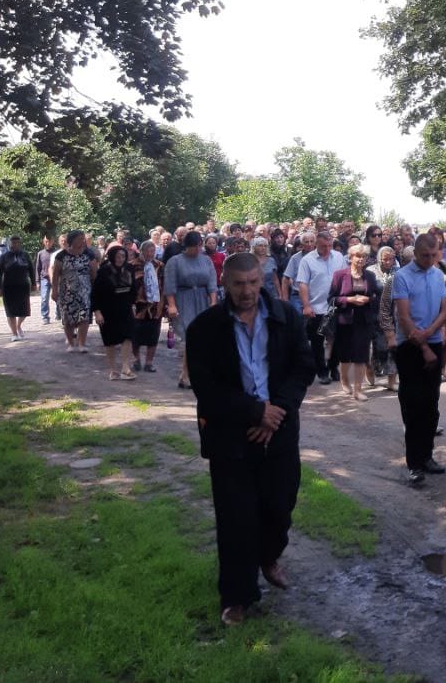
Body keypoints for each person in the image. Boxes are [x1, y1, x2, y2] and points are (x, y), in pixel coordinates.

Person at [187, 252, 316, 627]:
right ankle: (236, 595)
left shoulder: (286, 316)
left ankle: (268, 555)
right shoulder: (205, 328)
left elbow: (303, 367)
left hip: (279, 430)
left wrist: (276, 412)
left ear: (263, 280)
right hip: (231, 435)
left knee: (280, 506)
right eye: (239, 284)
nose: (247, 291)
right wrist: (254, 412)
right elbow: (205, 387)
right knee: (235, 517)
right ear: (225, 284)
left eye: (253, 282)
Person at [391, 233, 446, 487]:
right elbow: (404, 317)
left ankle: (427, 456)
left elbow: (444, 310)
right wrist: (423, 343)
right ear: (415, 253)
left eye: (433, 255)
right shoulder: (402, 276)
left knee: (431, 403)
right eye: (425, 255)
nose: (429, 259)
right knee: (413, 404)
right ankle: (414, 463)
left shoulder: (438, 275)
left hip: (433, 341)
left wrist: (431, 333)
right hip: (410, 346)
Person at [164, 230, 219, 389]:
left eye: (200, 246)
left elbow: (212, 282)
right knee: (191, 337)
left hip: (202, 299)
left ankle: (186, 374)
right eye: (195, 246)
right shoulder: (175, 261)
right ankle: (187, 374)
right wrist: (172, 305)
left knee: (201, 338)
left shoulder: (206, 260)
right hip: (183, 300)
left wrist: (213, 302)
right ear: (187, 246)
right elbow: (169, 285)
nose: (198, 249)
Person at [328, 244, 381, 402]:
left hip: (364, 320)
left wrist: (368, 299)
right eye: (358, 256)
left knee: (361, 355)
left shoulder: (370, 276)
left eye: (364, 256)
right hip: (345, 320)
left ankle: (358, 390)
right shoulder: (339, 275)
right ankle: (344, 379)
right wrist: (349, 299)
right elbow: (331, 299)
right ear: (350, 257)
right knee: (345, 355)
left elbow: (376, 297)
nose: (361, 259)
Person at [296, 230, 347, 386]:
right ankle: (322, 371)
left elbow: (345, 277)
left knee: (338, 339)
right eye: (324, 246)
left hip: (336, 306)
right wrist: (306, 306)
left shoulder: (338, 257)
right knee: (317, 342)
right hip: (316, 308)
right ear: (316, 244)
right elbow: (302, 284)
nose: (327, 249)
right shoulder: (307, 261)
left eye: (330, 245)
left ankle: (333, 367)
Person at [93, 242, 137, 380]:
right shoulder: (104, 271)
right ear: (112, 256)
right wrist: (97, 312)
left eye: (123, 256)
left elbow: (134, 289)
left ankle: (125, 367)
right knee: (110, 340)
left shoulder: (129, 269)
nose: (120, 259)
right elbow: (95, 293)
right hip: (108, 310)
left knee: (127, 336)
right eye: (118, 256)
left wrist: (133, 304)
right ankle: (112, 370)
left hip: (125, 308)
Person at [53, 229, 98, 353]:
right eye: (80, 239)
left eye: (83, 239)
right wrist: (54, 290)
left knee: (84, 317)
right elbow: (56, 275)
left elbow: (94, 274)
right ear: (72, 241)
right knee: (68, 318)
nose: (82, 241)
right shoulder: (61, 256)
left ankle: (82, 343)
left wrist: (95, 289)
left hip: (85, 291)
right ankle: (71, 344)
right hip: (66, 291)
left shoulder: (89, 254)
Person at [369, 245, 399, 392]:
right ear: (379, 258)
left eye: (391, 259)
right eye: (385, 259)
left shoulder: (398, 272)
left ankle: (392, 381)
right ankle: (371, 367)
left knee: (393, 348)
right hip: (375, 314)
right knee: (379, 348)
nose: (388, 262)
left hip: (394, 314)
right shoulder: (371, 272)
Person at [130, 240, 164, 373]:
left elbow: (163, 284)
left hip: (155, 306)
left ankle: (149, 362)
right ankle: (136, 360)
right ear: (141, 251)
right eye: (148, 251)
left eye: (152, 251)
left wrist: (164, 304)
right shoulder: (132, 265)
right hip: (138, 305)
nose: (150, 254)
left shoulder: (159, 265)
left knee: (153, 335)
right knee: (135, 334)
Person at [0, 235, 34, 341]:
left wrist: (34, 283)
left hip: (23, 286)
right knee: (10, 311)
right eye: (13, 242)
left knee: (25, 311)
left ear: (20, 243)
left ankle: (18, 326)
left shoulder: (25, 255)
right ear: (9, 244)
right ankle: (14, 334)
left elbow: (31, 269)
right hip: (8, 287)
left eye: (17, 242)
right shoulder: (4, 257)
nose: (15, 244)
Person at [36, 235, 56, 324]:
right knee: (44, 298)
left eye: (49, 241)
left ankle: (59, 314)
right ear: (43, 242)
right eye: (46, 241)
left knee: (58, 297)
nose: (48, 243)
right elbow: (38, 268)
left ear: (53, 242)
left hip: (55, 278)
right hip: (44, 278)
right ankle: (45, 316)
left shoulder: (56, 253)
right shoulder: (40, 253)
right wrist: (37, 281)